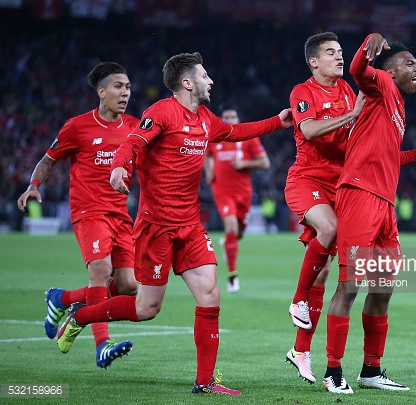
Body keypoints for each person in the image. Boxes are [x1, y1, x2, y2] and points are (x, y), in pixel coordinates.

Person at [55, 52, 292, 396]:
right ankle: (81, 317)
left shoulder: (206, 118)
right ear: (187, 83)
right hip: (156, 228)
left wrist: (277, 121)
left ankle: (205, 382)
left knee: (210, 294)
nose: (210, 81)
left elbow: (236, 132)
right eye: (204, 76)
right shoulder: (162, 112)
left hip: (190, 225)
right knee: (146, 308)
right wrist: (120, 166)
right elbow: (133, 143)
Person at [323, 33, 416, 394]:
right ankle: (333, 371)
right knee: (350, 284)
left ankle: (371, 370)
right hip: (360, 195)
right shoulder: (380, 85)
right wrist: (368, 42)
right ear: (391, 70)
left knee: (384, 286)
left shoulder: (396, 108)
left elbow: (390, 157)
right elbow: (360, 70)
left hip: (385, 205)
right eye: (410, 63)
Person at [17, 62, 139, 369]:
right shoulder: (77, 126)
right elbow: (48, 159)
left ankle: (62, 299)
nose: (124, 92)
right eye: (118, 86)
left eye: (127, 87)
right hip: (89, 211)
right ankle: (102, 345)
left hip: (121, 215)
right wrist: (33, 186)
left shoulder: (136, 127)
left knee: (129, 286)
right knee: (101, 270)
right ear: (101, 92)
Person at [283, 32, 365, 385]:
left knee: (323, 272)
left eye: (341, 52)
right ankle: (297, 300)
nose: (339, 57)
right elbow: (312, 130)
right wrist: (354, 114)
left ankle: (300, 351)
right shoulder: (304, 92)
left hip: (339, 185)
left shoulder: (346, 89)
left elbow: (355, 134)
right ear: (314, 61)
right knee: (328, 230)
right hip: (306, 181)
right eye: (331, 52)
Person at [204, 104, 271, 293]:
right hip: (222, 191)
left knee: (238, 232)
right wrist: (209, 172)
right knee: (231, 227)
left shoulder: (248, 138)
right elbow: (207, 156)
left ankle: (228, 243)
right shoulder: (215, 138)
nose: (230, 120)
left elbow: (265, 163)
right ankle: (232, 277)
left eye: (233, 117)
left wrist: (244, 163)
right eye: (226, 117)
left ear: (238, 120)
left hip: (244, 193)